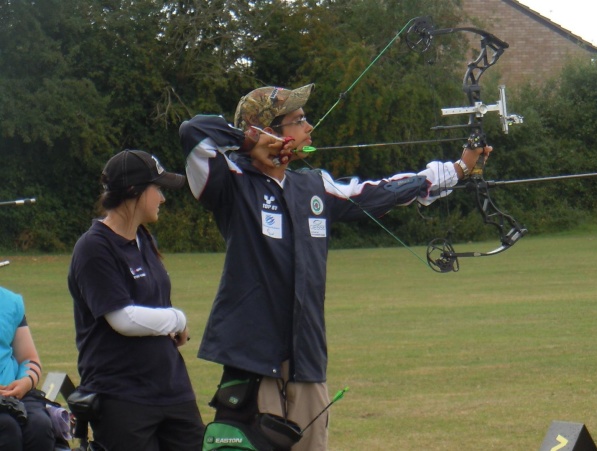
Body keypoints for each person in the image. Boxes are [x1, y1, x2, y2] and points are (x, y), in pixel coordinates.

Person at [179, 84, 491, 450]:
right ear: (269, 131)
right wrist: (249, 143)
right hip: (253, 357)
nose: (309, 128)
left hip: (306, 355)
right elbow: (193, 131)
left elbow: (380, 191)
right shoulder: (231, 183)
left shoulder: (313, 186)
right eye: (298, 120)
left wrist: (456, 169)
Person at [67, 150, 205, 451]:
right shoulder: (94, 247)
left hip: (172, 389)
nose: (162, 198)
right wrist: (177, 319)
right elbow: (123, 320)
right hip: (122, 396)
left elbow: (150, 308)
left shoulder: (145, 239)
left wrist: (165, 321)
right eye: (157, 189)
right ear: (134, 191)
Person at [0, 285, 55, 451]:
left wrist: (25, 382)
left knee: (40, 425)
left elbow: (29, 359)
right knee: (6, 427)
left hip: (13, 394)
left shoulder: (11, 302)